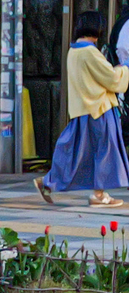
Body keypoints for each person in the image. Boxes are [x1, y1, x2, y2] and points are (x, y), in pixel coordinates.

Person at [43, 11, 129, 208]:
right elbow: (112, 79)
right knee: (104, 151)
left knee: (76, 152)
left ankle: (48, 181)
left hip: (83, 109)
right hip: (100, 109)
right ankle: (98, 195)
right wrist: (125, 68)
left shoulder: (73, 51)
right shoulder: (90, 52)